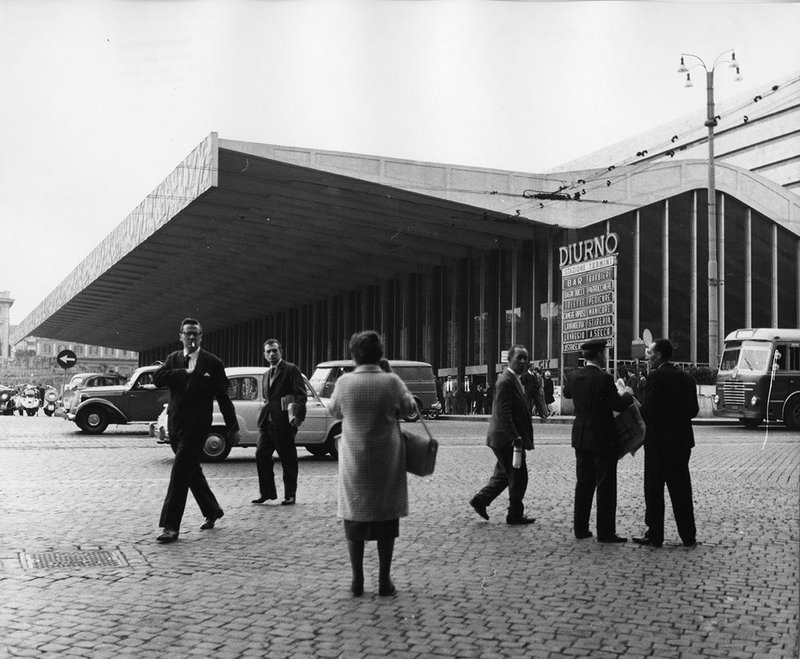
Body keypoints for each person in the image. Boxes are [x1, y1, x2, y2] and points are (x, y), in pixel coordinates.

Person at [328, 330, 416, 597]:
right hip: (386, 459)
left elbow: (334, 410)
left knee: (354, 518)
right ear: (380, 354)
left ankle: (357, 580)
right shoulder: (391, 381)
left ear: (354, 355)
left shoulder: (344, 383)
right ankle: (384, 580)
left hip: (354, 459)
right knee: (386, 520)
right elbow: (410, 408)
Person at [154, 318, 240, 543]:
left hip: (197, 428)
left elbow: (223, 397)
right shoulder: (173, 359)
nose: (191, 338)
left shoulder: (212, 362)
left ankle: (171, 526)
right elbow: (157, 379)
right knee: (191, 471)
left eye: (196, 334)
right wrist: (184, 373)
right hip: (175, 426)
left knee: (180, 472)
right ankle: (212, 510)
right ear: (180, 336)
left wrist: (233, 427)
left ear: (201, 337)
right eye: (187, 334)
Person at [562, 338, 634, 543]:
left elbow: (567, 393)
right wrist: (628, 393)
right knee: (605, 485)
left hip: (581, 436)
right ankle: (605, 532)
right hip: (603, 437)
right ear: (600, 355)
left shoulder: (575, 376)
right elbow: (619, 405)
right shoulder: (604, 378)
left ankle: (580, 528)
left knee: (583, 483)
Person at [633, 338, 699, 548]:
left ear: (659, 355)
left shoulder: (655, 377)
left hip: (658, 442)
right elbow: (693, 410)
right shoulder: (687, 378)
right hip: (681, 442)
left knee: (654, 490)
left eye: (650, 353)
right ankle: (688, 535)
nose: (647, 357)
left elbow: (648, 411)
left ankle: (655, 534)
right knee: (681, 490)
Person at [469, 345, 545, 525]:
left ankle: (480, 500)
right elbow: (503, 414)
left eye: (526, 358)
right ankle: (514, 514)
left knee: (504, 474)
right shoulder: (505, 381)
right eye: (519, 357)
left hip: (505, 438)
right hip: (506, 439)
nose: (523, 362)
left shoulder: (518, 379)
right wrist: (515, 438)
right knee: (519, 476)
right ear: (509, 359)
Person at [252, 339, 307, 506]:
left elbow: (301, 395)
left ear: (281, 352)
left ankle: (290, 495)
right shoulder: (266, 374)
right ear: (264, 354)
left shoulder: (291, 370)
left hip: (284, 422)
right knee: (261, 455)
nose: (271, 354)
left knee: (288, 459)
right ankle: (267, 493)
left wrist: (295, 414)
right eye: (268, 351)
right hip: (267, 423)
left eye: (274, 350)